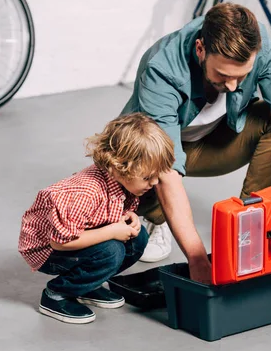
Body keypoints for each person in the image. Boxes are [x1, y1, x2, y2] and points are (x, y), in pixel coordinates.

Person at [122, 3, 271, 284]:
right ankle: (156, 217)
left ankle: (250, 227)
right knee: (136, 194)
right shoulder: (162, 67)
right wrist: (197, 259)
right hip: (153, 154)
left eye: (240, 77)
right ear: (201, 49)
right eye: (223, 76)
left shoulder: (257, 44)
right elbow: (166, 169)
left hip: (215, 142)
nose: (232, 86)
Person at [18, 113, 175, 324]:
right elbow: (61, 241)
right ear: (118, 167)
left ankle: (87, 285)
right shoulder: (86, 192)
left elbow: (107, 213)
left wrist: (128, 219)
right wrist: (112, 232)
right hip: (48, 248)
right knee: (112, 251)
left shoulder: (123, 183)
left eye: (157, 175)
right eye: (147, 177)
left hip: (79, 236)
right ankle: (56, 295)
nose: (154, 182)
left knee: (138, 239)